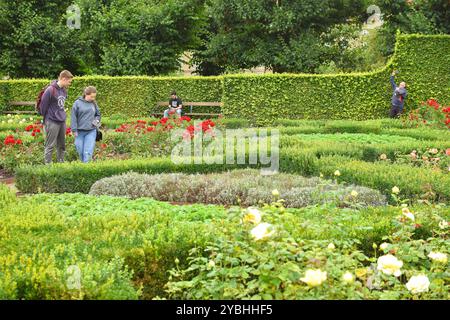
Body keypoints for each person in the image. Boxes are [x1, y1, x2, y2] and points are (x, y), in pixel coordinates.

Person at [40, 70, 73, 164]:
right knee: (50, 145)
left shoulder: (64, 90)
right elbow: (43, 107)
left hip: (62, 120)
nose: (69, 84)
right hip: (52, 121)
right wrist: (48, 119)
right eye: (69, 81)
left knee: (62, 145)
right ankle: (48, 166)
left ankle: (60, 164)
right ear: (63, 79)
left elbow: (61, 105)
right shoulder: (50, 90)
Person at [71, 86, 101, 163]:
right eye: (91, 96)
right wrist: (74, 130)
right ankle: (83, 168)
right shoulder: (77, 103)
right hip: (79, 132)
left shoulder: (94, 103)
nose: (93, 98)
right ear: (86, 94)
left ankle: (86, 167)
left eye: (94, 97)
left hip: (91, 131)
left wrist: (96, 121)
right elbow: (73, 117)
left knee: (87, 153)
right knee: (80, 152)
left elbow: (98, 114)